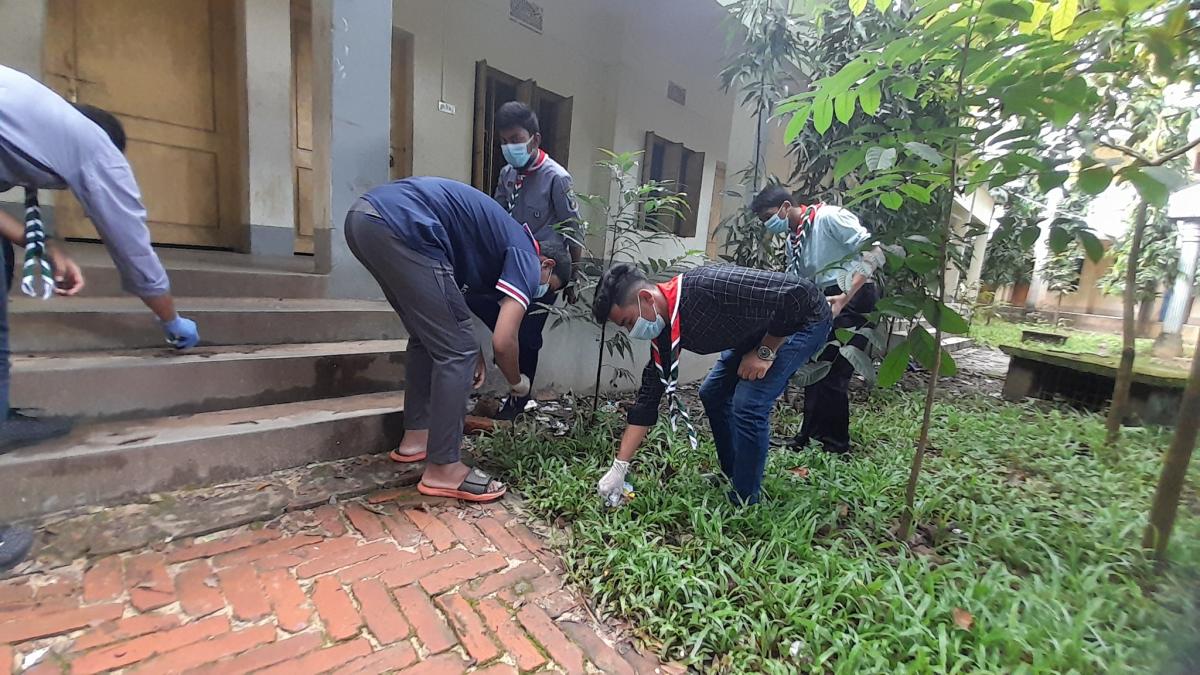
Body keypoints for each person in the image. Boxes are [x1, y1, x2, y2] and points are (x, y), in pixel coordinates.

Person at [0, 65, 200, 570]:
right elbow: (133, 250)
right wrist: (170, 320)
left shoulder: (29, 118)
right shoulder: (95, 147)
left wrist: (43, 246)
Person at [346, 177, 572, 502]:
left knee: (427, 338)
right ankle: (443, 469)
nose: (539, 294)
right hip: (404, 224)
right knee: (457, 351)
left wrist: (469, 344)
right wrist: (517, 382)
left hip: (366, 219)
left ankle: (416, 439)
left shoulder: (498, 245)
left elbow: (448, 308)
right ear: (547, 265)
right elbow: (504, 341)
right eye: (547, 287)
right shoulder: (526, 256)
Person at [592, 263, 832, 505]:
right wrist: (619, 467)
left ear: (646, 298)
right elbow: (649, 397)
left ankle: (745, 500)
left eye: (629, 321)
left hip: (803, 322)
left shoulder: (709, 285)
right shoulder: (665, 329)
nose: (632, 331)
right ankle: (734, 473)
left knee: (749, 403)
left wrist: (766, 351)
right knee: (713, 393)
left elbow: (798, 294)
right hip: (755, 333)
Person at [752, 185, 884, 455]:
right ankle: (808, 437)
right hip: (819, 297)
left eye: (768, 216)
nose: (768, 224)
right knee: (814, 367)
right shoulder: (794, 238)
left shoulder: (830, 217)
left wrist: (845, 296)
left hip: (853, 295)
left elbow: (875, 252)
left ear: (785, 206)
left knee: (836, 372)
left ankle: (836, 445)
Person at [477, 101, 584, 420]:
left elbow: (574, 229)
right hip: (509, 265)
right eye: (504, 140)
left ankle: (517, 401)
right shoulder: (507, 174)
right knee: (481, 302)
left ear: (534, 139)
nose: (509, 146)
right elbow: (496, 215)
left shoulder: (557, 178)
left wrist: (573, 277)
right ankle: (506, 352)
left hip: (544, 271)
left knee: (529, 335)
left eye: (515, 139)